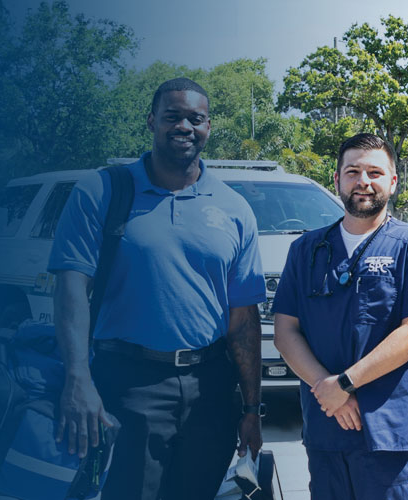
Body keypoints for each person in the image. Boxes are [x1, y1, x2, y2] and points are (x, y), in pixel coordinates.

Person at [47, 77, 267, 500]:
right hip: (127, 385)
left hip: (210, 389)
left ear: (207, 127)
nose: (183, 126)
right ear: (152, 121)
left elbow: (243, 320)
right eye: (172, 116)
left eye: (195, 118)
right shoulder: (103, 190)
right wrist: (78, 380)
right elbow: (71, 290)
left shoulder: (233, 207)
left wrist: (251, 410)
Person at [272, 133, 408, 500]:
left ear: (393, 182)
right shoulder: (305, 250)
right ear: (336, 179)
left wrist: (345, 384)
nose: (363, 182)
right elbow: (285, 331)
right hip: (326, 428)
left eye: (374, 173)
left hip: (388, 433)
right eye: (352, 172)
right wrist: (327, 389)